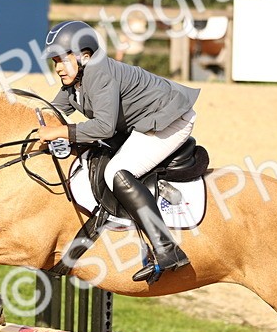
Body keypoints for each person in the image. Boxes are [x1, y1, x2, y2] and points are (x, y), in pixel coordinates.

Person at [36, 20, 196, 283]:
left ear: (83, 55)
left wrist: (61, 133)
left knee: (117, 172)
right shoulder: (76, 80)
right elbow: (52, 113)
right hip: (144, 122)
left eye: (61, 60)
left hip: (170, 119)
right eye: (54, 61)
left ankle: (167, 249)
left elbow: (104, 127)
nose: (57, 68)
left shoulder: (99, 73)